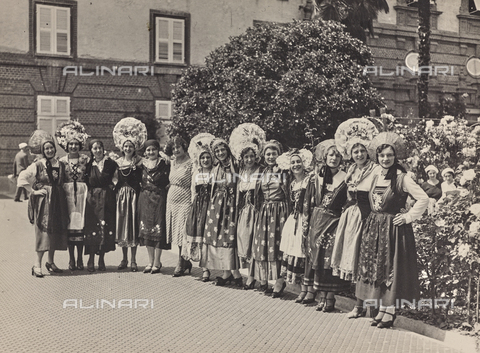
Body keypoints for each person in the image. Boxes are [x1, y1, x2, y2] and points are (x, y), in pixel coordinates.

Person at [356, 132, 429, 329]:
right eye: (382, 156)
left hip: (394, 230)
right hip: (376, 228)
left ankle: (390, 311)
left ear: (395, 157)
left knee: (391, 269)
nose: (385, 159)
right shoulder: (375, 174)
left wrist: (407, 217)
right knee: (378, 268)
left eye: (389, 155)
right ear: (377, 157)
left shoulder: (402, 178)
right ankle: (382, 308)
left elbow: (423, 198)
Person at [330, 117, 379, 317]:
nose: (359, 154)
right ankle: (359, 305)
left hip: (367, 218)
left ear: (368, 150)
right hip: (350, 218)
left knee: (367, 261)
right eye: (355, 151)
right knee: (355, 260)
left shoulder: (375, 169)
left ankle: (371, 305)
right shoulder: (351, 170)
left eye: (362, 150)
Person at [302, 140, 349, 311]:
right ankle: (321, 295)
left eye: (337, 155)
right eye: (331, 155)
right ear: (325, 157)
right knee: (318, 258)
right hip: (317, 221)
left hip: (334, 222)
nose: (334, 158)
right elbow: (308, 202)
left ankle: (330, 297)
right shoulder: (317, 177)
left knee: (329, 258)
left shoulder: (346, 178)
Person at [18, 134, 69, 276]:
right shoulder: (38, 164)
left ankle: (50, 262)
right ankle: (36, 265)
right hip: (44, 203)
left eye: (51, 147)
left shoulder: (60, 164)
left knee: (55, 231)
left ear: (55, 148)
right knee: (43, 232)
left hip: (58, 202)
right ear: (42, 150)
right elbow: (22, 177)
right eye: (46, 148)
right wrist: (33, 192)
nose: (49, 150)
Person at [229, 123, 266, 290]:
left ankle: (252, 277)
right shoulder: (241, 173)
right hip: (244, 213)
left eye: (251, 156)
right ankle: (249, 274)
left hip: (258, 212)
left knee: (255, 244)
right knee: (244, 243)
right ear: (242, 159)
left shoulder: (262, 171)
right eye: (246, 157)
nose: (249, 159)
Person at [251, 140, 289, 294]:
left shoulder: (284, 171)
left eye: (274, 153)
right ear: (264, 156)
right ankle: (264, 279)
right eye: (268, 154)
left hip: (279, 211)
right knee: (263, 245)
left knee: (278, 245)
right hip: (264, 211)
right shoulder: (262, 171)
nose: (271, 156)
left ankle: (280, 281)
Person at [204, 138, 243, 286]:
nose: (220, 153)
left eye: (222, 150)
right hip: (217, 206)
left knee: (231, 237)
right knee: (220, 237)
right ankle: (226, 272)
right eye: (217, 151)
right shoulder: (216, 168)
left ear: (227, 149)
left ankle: (236, 273)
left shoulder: (236, 165)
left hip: (232, 205)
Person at [112, 117, 147, 272]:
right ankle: (124, 258)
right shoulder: (117, 163)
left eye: (130, 146)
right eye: (125, 146)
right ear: (122, 147)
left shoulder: (140, 162)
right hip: (121, 197)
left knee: (132, 227)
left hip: (134, 197)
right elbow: (113, 179)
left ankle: (133, 260)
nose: (128, 149)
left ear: (134, 148)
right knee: (122, 227)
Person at [276, 149, 312, 299]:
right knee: (293, 250)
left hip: (305, 219)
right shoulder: (292, 183)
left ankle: (306, 289)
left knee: (303, 252)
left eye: (298, 162)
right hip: (294, 220)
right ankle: (300, 288)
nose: (296, 165)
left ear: (304, 163)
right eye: (293, 162)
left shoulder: (309, 180)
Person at [56, 121, 90, 271]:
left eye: (76, 144)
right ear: (66, 146)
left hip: (82, 195)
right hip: (67, 196)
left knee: (81, 225)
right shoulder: (62, 161)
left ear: (80, 145)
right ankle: (71, 259)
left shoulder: (86, 160)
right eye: (71, 144)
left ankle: (80, 258)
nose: (73, 147)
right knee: (70, 226)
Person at [183, 133, 215, 281]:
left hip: (212, 207)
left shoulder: (215, 173)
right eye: (203, 158)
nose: (205, 160)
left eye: (208, 157)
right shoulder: (196, 173)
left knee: (208, 238)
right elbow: (193, 192)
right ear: (199, 159)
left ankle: (210, 266)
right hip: (197, 208)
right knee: (199, 237)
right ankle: (204, 269)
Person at [84, 139, 118, 272]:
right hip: (92, 200)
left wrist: (111, 188)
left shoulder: (110, 163)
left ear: (103, 149)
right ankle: (91, 258)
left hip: (107, 199)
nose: (98, 150)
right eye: (95, 148)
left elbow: (116, 178)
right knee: (92, 228)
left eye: (100, 148)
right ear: (91, 150)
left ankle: (101, 259)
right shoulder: (88, 165)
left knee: (105, 227)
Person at [138, 139, 171, 274]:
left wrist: (166, 156)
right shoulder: (141, 164)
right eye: (148, 150)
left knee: (158, 229)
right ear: (145, 152)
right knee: (146, 231)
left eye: (153, 149)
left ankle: (157, 261)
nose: (151, 152)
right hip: (145, 199)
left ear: (158, 150)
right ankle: (150, 261)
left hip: (159, 199)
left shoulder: (165, 164)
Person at [165, 135, 193, 277]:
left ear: (184, 147)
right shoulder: (172, 162)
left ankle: (181, 262)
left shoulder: (192, 163)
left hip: (185, 200)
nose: (176, 150)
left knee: (183, 231)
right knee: (175, 231)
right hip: (172, 201)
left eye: (178, 147)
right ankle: (184, 261)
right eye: (173, 148)